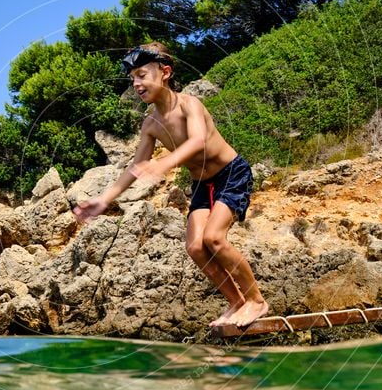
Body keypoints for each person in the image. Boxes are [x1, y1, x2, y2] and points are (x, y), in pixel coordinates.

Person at [72, 42, 268, 327]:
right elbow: (135, 167)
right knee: (196, 247)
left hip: (231, 174)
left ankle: (257, 301)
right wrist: (104, 199)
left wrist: (164, 163)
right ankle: (236, 302)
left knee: (214, 238)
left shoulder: (189, 105)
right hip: (203, 184)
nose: (137, 83)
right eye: (132, 79)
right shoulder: (150, 124)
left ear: (165, 72)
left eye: (142, 74)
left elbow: (198, 140)